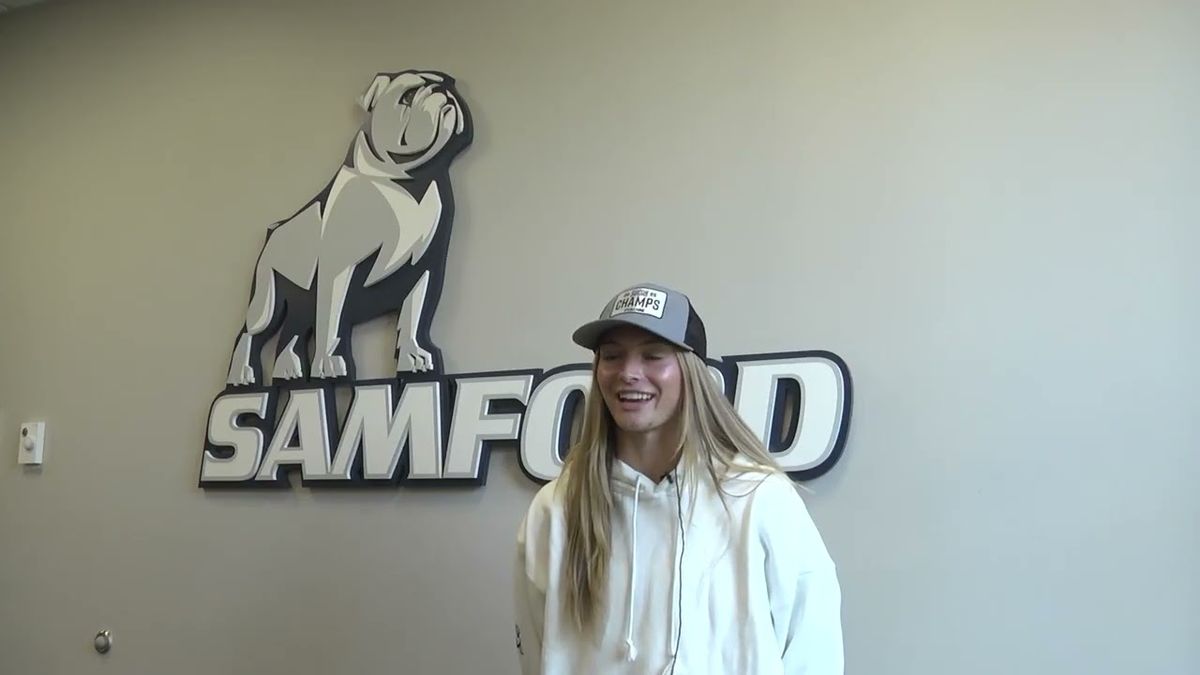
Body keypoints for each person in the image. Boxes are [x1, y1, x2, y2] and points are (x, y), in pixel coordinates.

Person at [513, 282, 843, 675]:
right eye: (612, 356)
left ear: (692, 372)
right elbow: (536, 653)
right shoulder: (558, 508)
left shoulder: (759, 499)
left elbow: (813, 652)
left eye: (653, 356)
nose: (629, 373)